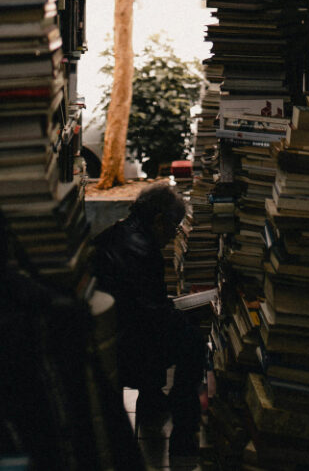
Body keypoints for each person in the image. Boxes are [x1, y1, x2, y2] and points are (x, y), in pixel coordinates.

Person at [91, 184, 206, 462]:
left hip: (107, 338)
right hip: (130, 349)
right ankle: (183, 435)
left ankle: (153, 402)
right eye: (173, 228)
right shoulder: (145, 250)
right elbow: (152, 315)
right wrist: (184, 315)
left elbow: (139, 300)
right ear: (158, 221)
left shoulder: (112, 235)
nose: (171, 237)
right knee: (194, 342)